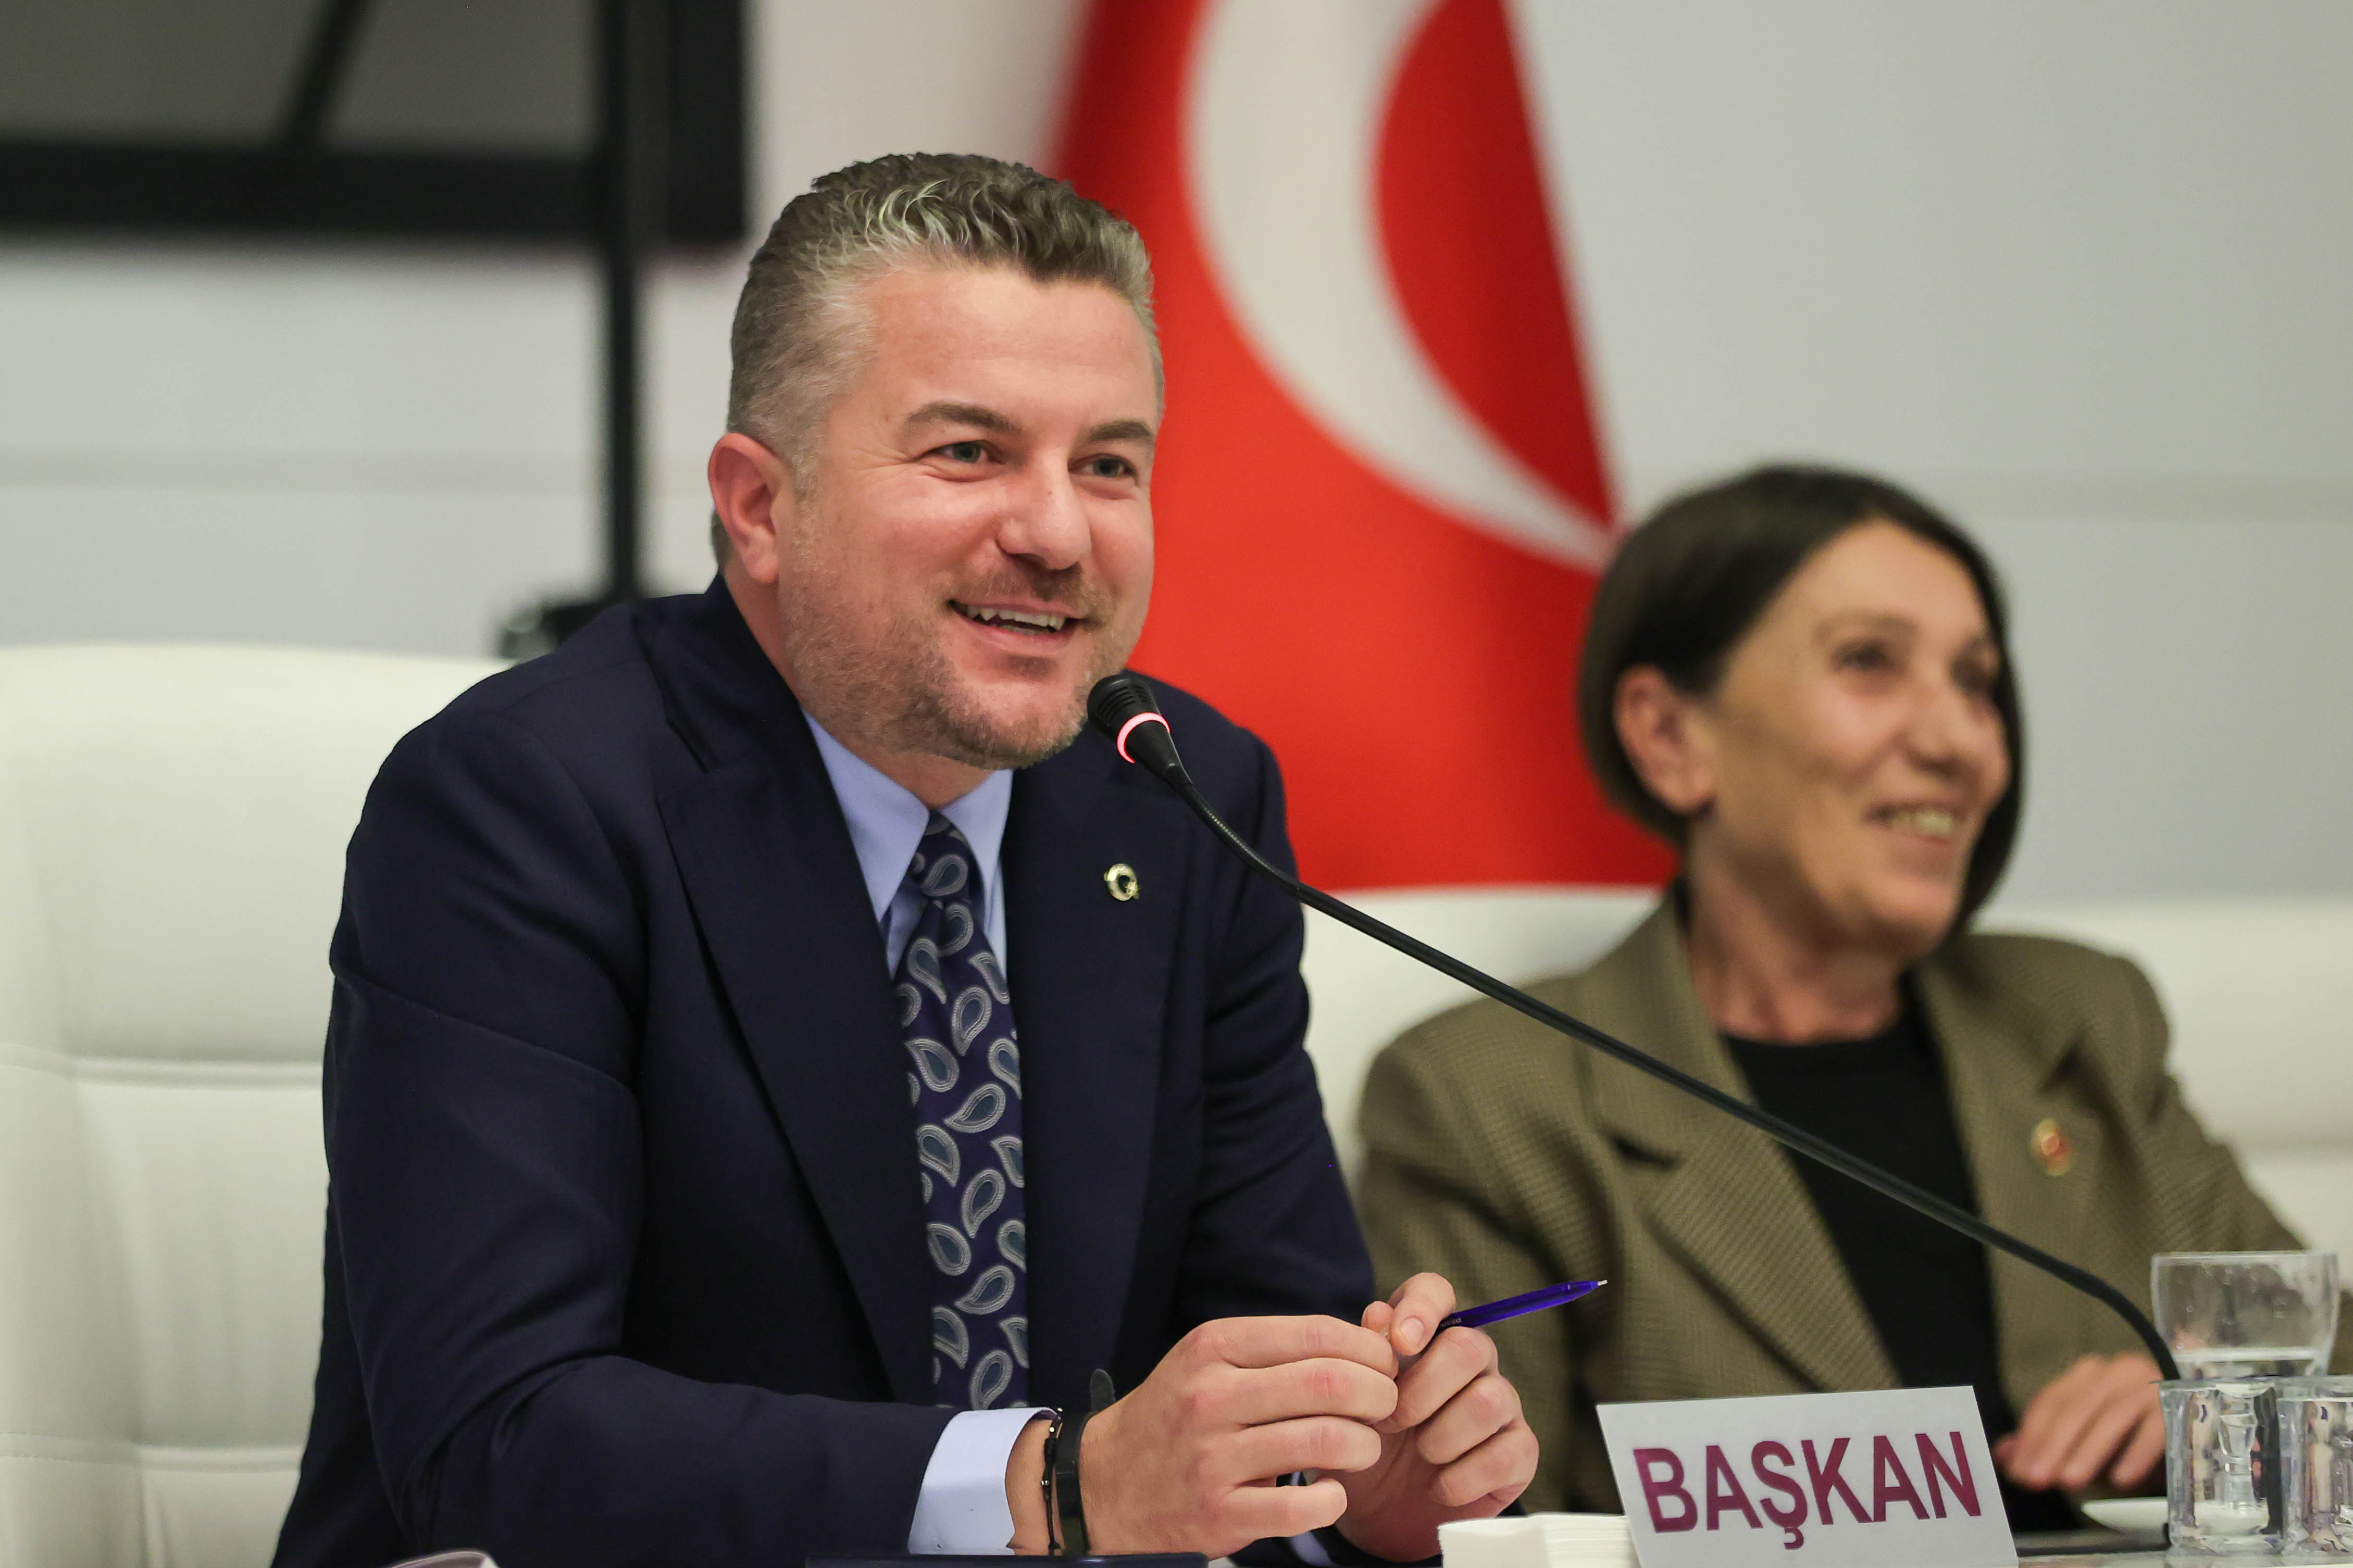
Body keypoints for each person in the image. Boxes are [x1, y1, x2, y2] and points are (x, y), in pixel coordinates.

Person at [274, 154, 1535, 1568]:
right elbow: (495, 1440)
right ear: (760, 505)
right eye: (969, 453)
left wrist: (1360, 1490)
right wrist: (1051, 1482)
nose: (1057, 533)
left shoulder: (1181, 800)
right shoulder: (524, 802)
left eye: (1108, 464)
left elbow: (1268, 1351)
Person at [1354, 465, 2346, 1531]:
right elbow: (1474, 1531)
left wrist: (2213, 1405)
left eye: (1976, 682)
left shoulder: (2077, 1018)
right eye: (1869, 663)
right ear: (1670, 737)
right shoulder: (1492, 1100)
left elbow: (2313, 1349)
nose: (1960, 741)